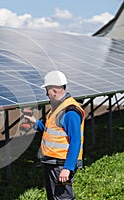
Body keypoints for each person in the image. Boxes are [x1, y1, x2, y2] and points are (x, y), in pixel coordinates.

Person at [24, 70, 85, 200]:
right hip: (52, 162)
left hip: (61, 164)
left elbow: (75, 141)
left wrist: (67, 168)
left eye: (47, 90)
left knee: (63, 198)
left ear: (55, 90)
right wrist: (35, 122)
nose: (46, 93)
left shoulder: (70, 111)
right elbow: (51, 131)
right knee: (54, 197)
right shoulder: (58, 107)